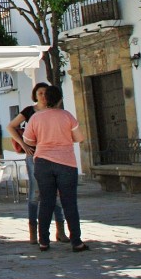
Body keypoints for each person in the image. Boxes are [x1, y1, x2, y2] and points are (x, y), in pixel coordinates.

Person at [23, 84, 88, 252]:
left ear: (45, 99)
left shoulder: (35, 118)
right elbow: (79, 137)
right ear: (59, 99)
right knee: (69, 203)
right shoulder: (67, 116)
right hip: (66, 163)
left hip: (43, 162)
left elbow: (28, 140)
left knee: (46, 201)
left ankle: (44, 241)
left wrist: (43, 140)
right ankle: (76, 242)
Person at [7, 82, 68, 245]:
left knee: (55, 193)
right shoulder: (29, 111)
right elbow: (11, 126)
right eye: (39, 93)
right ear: (35, 95)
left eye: (45, 92)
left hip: (53, 155)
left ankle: (60, 230)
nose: (42, 95)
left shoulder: (54, 111)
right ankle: (33, 231)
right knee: (35, 192)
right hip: (34, 155)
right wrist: (23, 144)